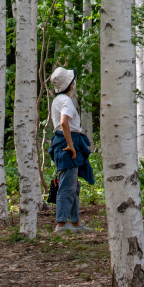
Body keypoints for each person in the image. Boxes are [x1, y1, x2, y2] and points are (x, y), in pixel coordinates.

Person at [48, 67, 95, 234]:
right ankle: (61, 225)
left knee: (73, 186)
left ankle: (75, 223)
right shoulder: (66, 101)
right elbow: (64, 122)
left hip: (64, 142)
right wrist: (71, 146)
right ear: (70, 84)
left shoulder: (58, 100)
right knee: (67, 186)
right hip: (67, 143)